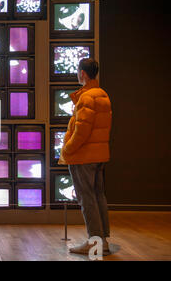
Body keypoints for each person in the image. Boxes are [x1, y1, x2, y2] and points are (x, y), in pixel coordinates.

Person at [58, 58, 112, 256]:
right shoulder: (102, 94)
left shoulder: (87, 97)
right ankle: (102, 241)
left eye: (77, 71)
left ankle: (95, 242)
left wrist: (67, 150)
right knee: (98, 196)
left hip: (84, 157)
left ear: (82, 73)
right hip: (98, 155)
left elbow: (82, 131)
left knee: (87, 198)